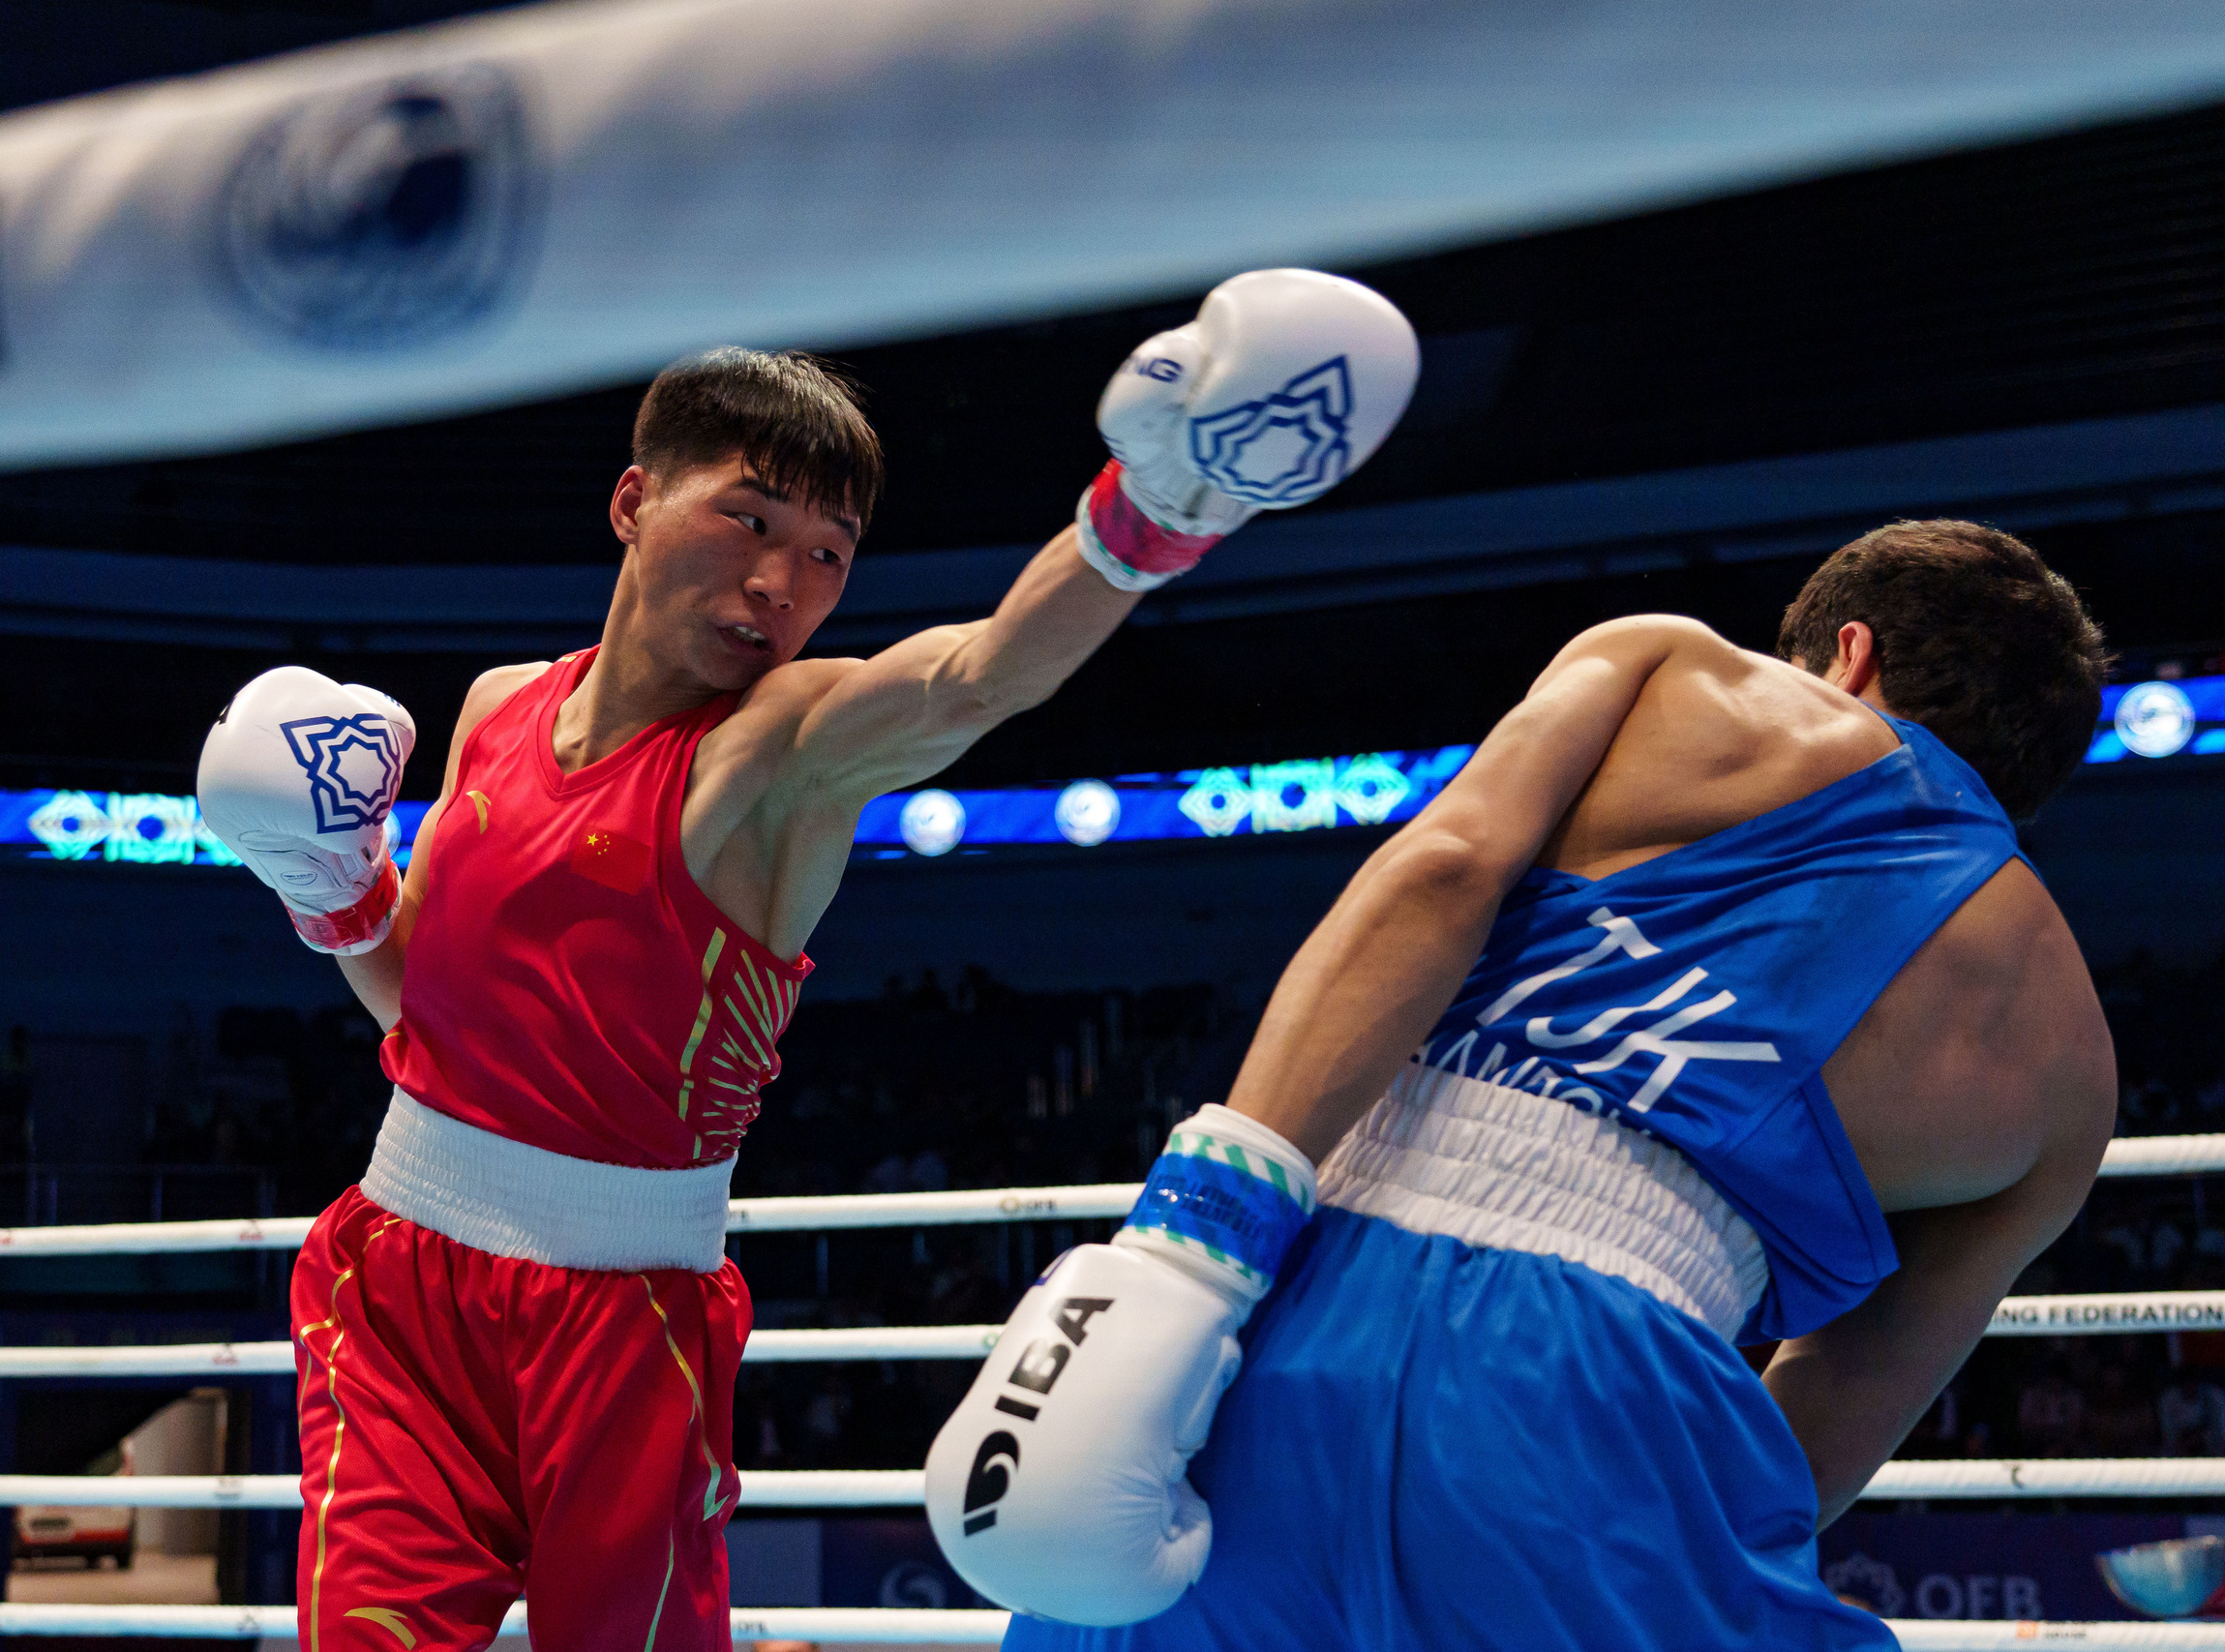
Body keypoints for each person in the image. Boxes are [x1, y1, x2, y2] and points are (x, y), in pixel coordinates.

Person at [193, 271, 1418, 1648]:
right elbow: (425, 1005)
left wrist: (1153, 514)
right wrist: (338, 893)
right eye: (750, 517)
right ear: (633, 503)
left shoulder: (770, 760)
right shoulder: (493, 710)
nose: (783, 581)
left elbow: (981, 672)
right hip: (396, 1280)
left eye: (831, 552)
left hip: (620, 1325)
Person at [928, 520, 2119, 1648]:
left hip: (1296, 1275)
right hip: (1618, 1385)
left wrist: (1189, 1244)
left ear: (1845, 655)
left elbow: (1439, 875)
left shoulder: (1673, 668)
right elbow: (1846, 1398)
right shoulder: (2069, 1068)